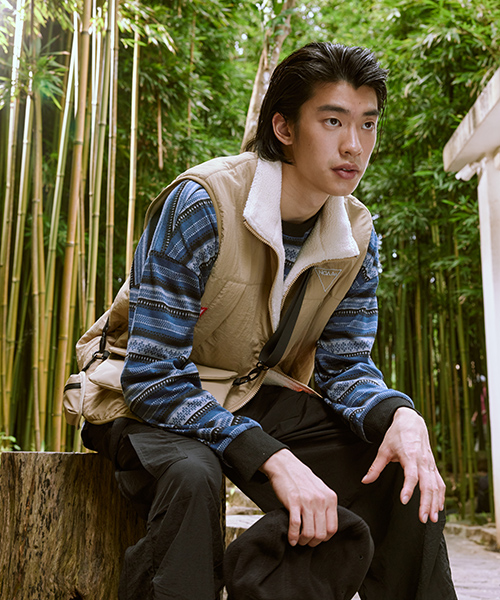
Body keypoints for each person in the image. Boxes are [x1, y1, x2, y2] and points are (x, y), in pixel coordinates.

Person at [82, 42, 457, 600]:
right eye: (333, 121)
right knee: (193, 476)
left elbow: (344, 367)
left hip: (251, 391)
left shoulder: (357, 235)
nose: (354, 145)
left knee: (402, 472)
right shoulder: (202, 204)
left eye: (368, 124)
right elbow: (153, 376)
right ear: (283, 127)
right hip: (141, 396)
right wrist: (270, 455)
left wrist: (398, 415)